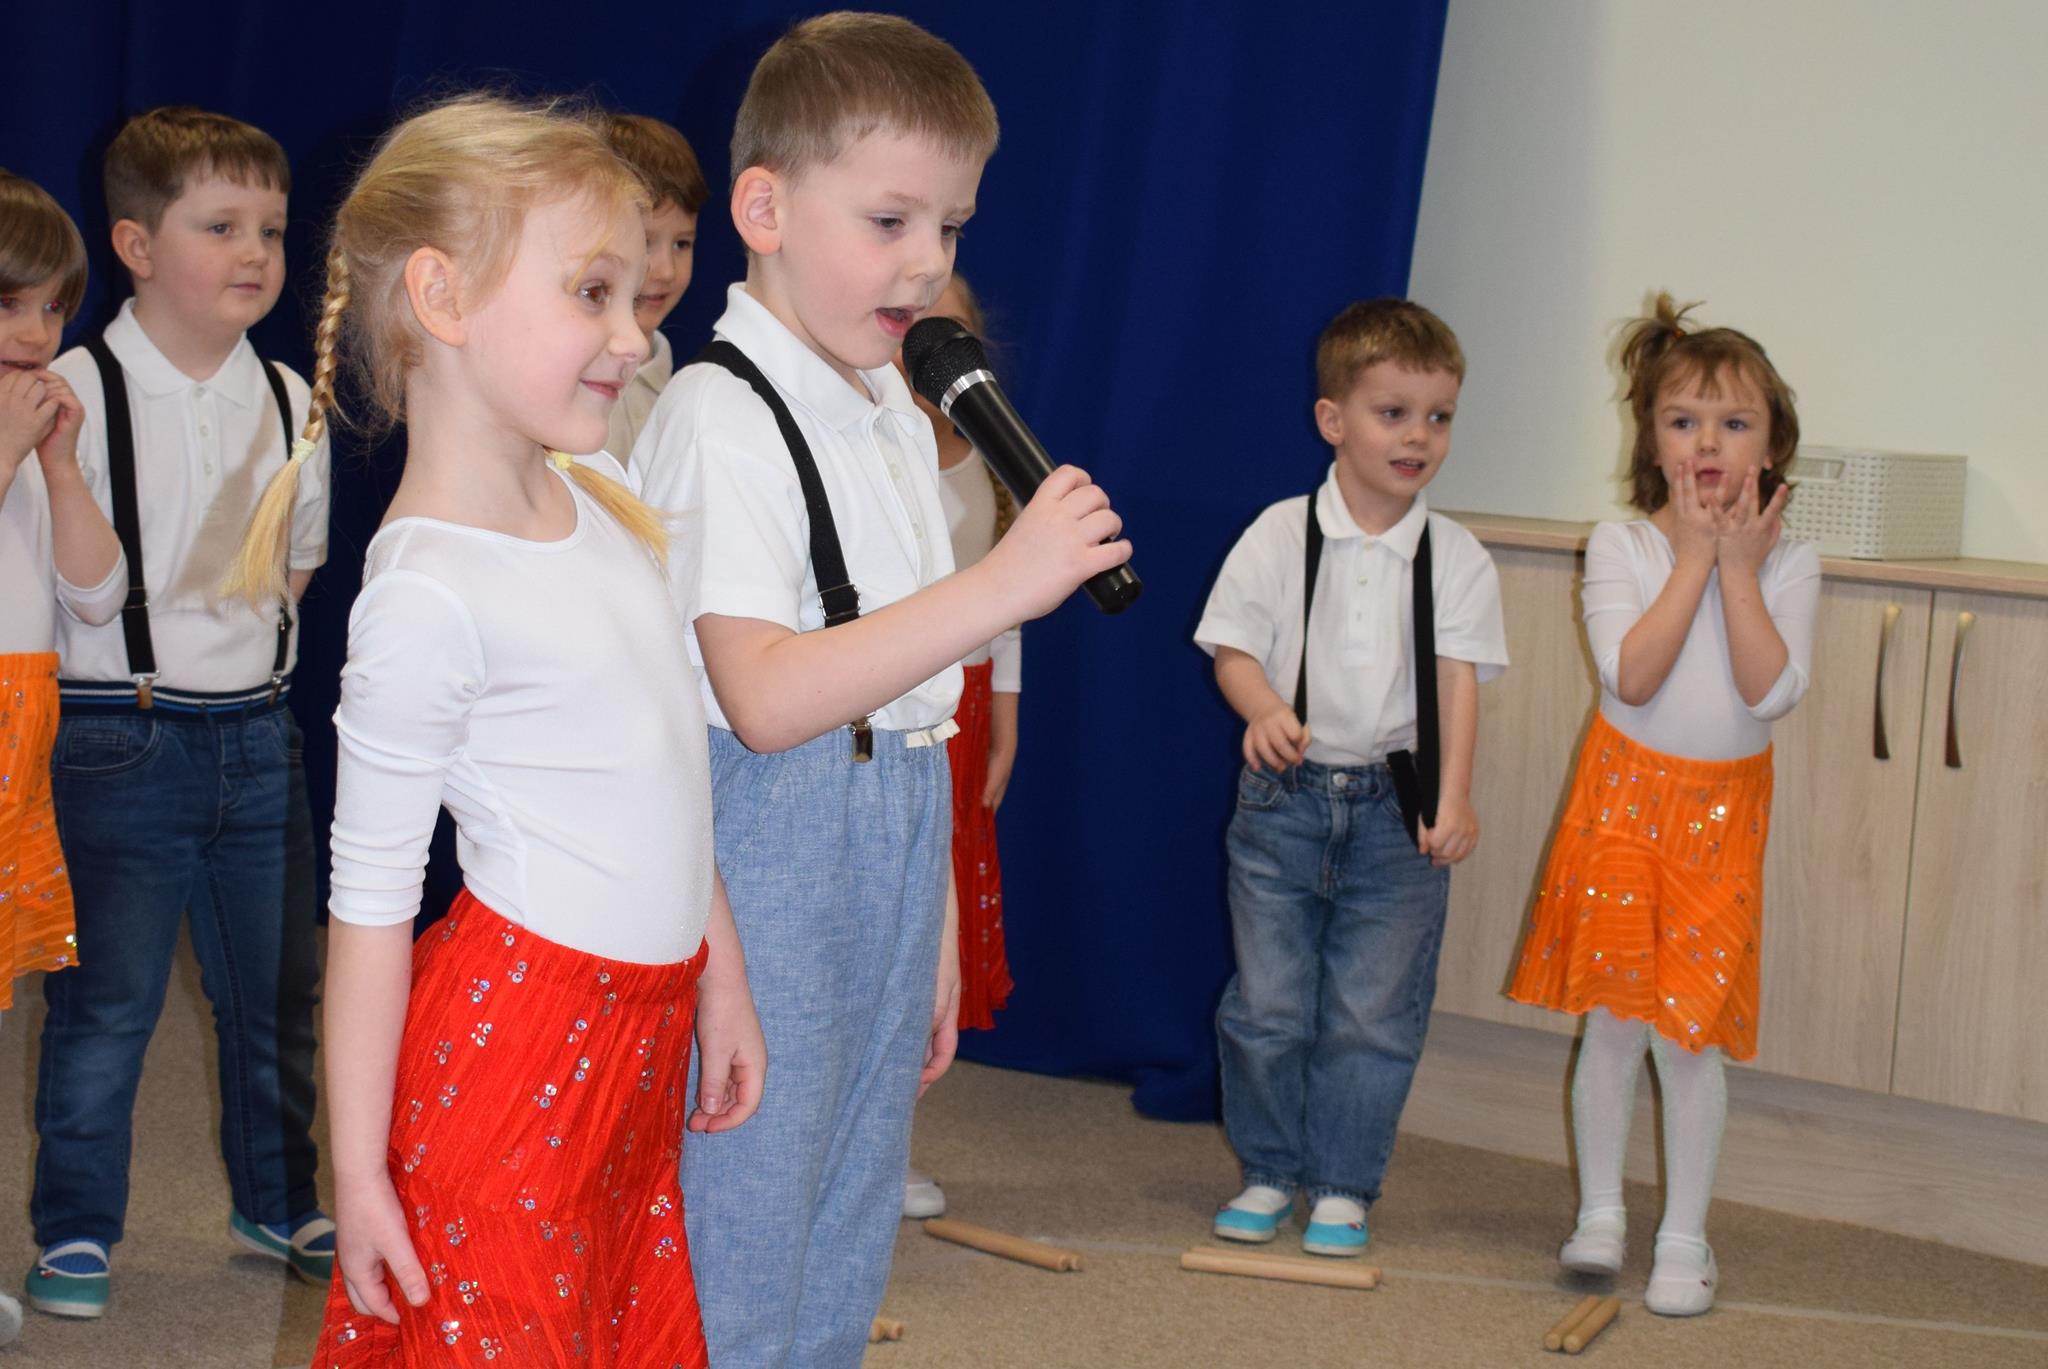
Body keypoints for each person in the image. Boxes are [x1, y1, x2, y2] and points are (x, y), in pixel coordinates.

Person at [222, 94, 765, 1366]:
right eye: (592, 293)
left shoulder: (603, 487)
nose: (635, 334)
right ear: (443, 296)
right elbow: (367, 912)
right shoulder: (427, 591)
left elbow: (666, 773)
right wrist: (359, 1174)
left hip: (636, 1040)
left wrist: (719, 974)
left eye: (633, 295)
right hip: (513, 1059)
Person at [632, 13, 1130, 1363]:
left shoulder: (890, 408)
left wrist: (938, 924)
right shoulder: (722, 416)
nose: (928, 263)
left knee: (847, 1210)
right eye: (890, 220)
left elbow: (913, 703)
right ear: (764, 211)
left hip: (894, 827)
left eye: (951, 227)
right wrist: (1006, 584)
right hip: (771, 841)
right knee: (745, 1212)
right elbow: (764, 698)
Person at [27, 108, 333, 1319]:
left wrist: (241, 660)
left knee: (275, 993)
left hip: (259, 737)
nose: (255, 252)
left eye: (271, 229)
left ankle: (276, 1196)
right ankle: (76, 1228)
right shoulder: (74, 392)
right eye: (221, 227)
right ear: (137, 247)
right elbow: (79, 586)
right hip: (122, 733)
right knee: (108, 1003)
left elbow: (297, 563)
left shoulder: (289, 394)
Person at [1508, 293, 1820, 1316]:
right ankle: (1601, 1212)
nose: (1708, 444)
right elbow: (1632, 676)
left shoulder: (1791, 561)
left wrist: (1738, 568)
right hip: (1623, 805)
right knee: (1611, 1023)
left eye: (1734, 423)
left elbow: (1769, 691)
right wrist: (1692, 558)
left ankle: (1684, 1234)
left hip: (1720, 818)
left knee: (1688, 1036)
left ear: (1771, 443)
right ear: (1650, 438)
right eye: (1684, 421)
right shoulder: (1622, 546)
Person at [1195, 298, 1506, 1258]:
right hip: (1285, 801)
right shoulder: (1279, 533)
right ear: (1333, 419)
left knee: (1374, 1011)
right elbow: (1232, 648)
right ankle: (1268, 1167)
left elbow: (1457, 682)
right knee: (1269, 1004)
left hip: (1395, 808)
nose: (1419, 437)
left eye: (1439, 416)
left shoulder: (1456, 556)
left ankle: (1340, 1184)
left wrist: (1453, 795)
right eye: (1393, 413)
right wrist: (1261, 706)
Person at [0, 167, 125, 1349]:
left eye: (51, 307)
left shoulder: (35, 440)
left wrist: (59, 468)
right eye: (9, 304)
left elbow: (96, 597)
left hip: (17, 749)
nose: (37, 333)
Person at [892, 272, 1021, 1220]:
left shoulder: (987, 454)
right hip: (892, 700)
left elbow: (1005, 595)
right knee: (894, 921)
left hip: (966, 708)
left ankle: (896, 1140)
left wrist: (1006, 718)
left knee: (938, 933)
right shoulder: (873, 451)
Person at [600, 113, 709, 462]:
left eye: (682, 244)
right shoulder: (558, 387)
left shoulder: (687, 395)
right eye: (645, 242)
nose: (665, 271)